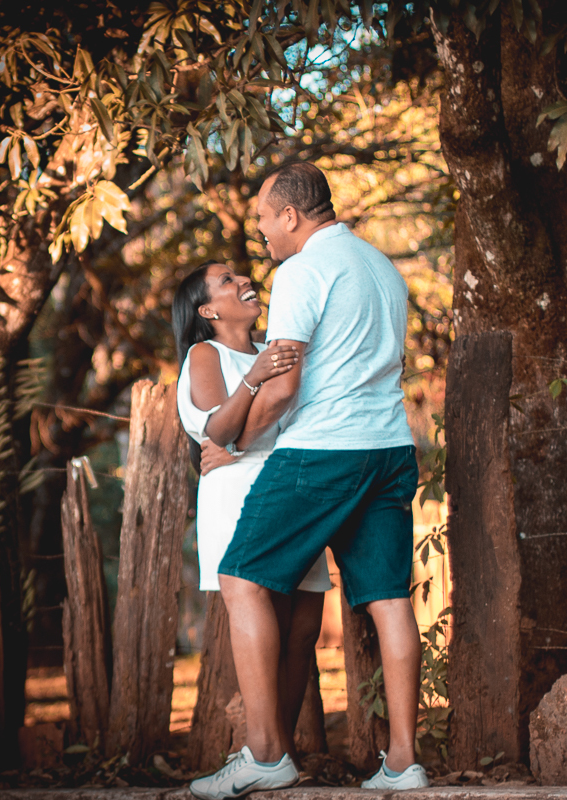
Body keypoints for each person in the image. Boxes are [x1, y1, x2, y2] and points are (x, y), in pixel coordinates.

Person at [189, 160, 429, 799]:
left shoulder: (300, 270)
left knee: (241, 576)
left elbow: (286, 384)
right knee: (388, 597)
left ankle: (266, 754)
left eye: (265, 219)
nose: (262, 233)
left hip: (324, 450)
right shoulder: (382, 267)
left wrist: (238, 442)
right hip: (390, 448)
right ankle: (404, 762)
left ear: (291, 215)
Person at [171, 262, 330, 795]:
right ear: (208, 311)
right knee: (266, 613)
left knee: (303, 625)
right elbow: (220, 427)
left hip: (295, 487)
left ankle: (275, 753)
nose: (242, 279)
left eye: (239, 271)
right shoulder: (206, 353)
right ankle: (266, 752)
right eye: (224, 280)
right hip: (240, 491)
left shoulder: (275, 346)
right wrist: (255, 375)